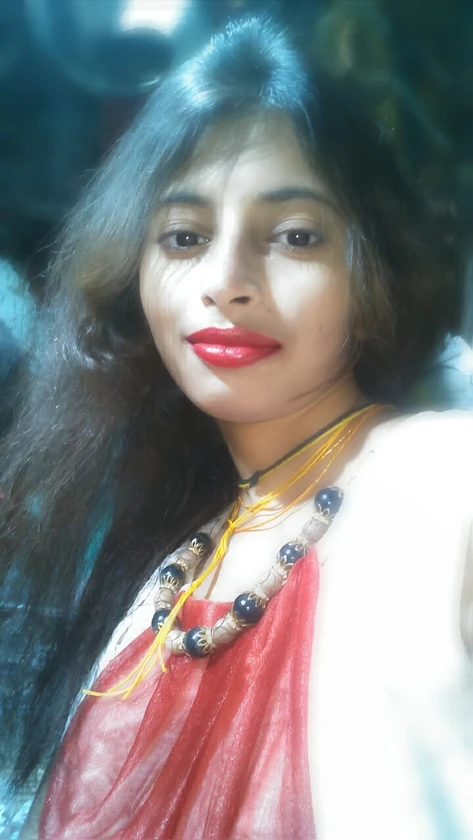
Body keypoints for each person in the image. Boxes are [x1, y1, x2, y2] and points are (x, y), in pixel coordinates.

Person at [1, 15, 472, 840]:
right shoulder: (169, 571)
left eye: (294, 236)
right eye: (183, 236)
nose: (225, 281)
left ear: (373, 272)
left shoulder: (442, 481)